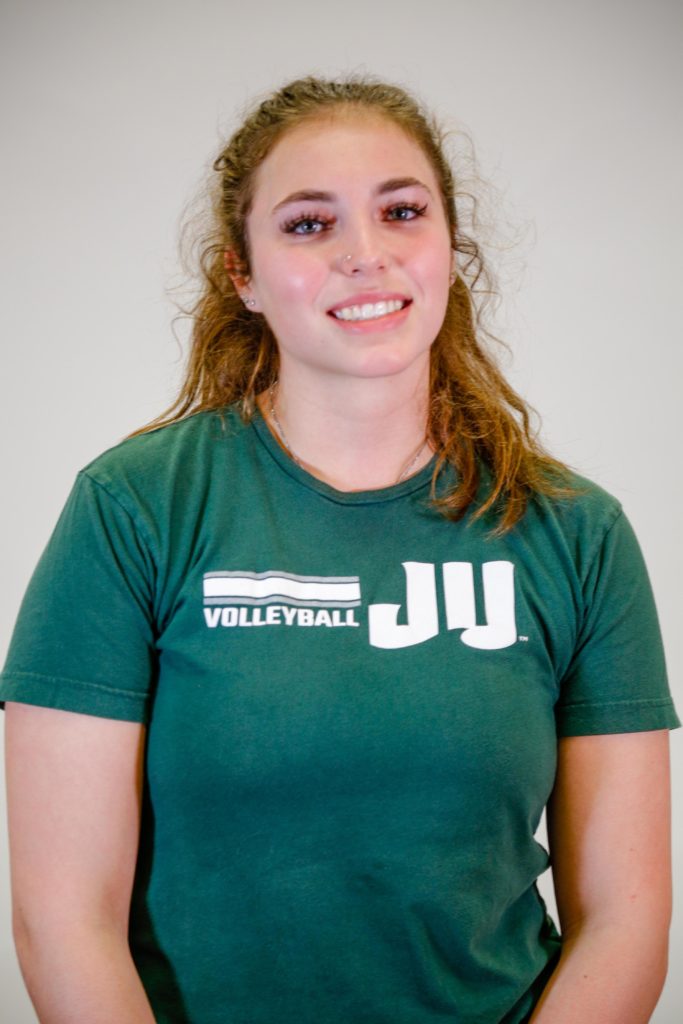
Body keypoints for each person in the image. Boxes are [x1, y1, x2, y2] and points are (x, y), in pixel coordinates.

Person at [1, 75, 678, 1024]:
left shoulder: (575, 533)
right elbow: (61, 919)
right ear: (241, 273)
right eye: (309, 225)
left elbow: (627, 920)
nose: (366, 255)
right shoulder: (135, 510)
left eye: (401, 211)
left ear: (449, 247)